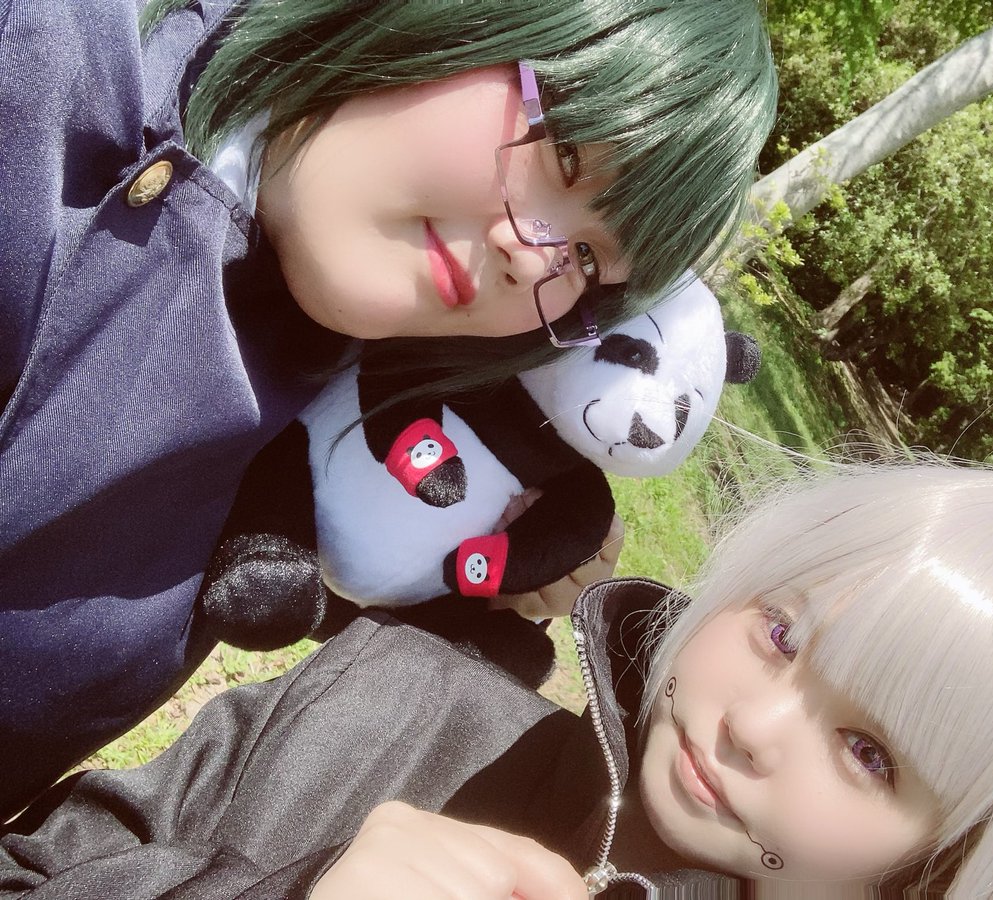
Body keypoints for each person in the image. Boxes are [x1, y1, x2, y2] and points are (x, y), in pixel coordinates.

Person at [0, 0, 777, 817]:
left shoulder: (337, 375)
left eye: (587, 258)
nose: (534, 260)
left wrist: (458, 593)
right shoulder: (39, 75)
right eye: (566, 153)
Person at [0, 464, 993, 898]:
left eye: (870, 754)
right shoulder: (389, 695)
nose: (757, 726)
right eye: (782, 633)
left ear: (935, 869)